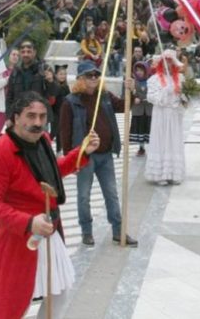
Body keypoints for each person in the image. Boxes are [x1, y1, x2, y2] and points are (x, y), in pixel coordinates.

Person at [0, 92, 99, 319]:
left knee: (60, 293)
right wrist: (27, 222)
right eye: (31, 116)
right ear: (16, 117)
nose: (37, 122)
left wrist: (82, 152)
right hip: (18, 239)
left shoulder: (43, 139)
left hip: (49, 231)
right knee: (12, 305)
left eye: (42, 117)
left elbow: (52, 175)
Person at [60, 61, 138, 246]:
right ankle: (86, 231)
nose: (94, 78)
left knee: (111, 194)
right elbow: (65, 132)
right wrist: (70, 161)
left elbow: (123, 106)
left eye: (96, 75)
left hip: (105, 155)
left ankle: (118, 231)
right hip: (84, 157)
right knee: (84, 196)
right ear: (80, 79)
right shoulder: (71, 101)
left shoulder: (104, 96)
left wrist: (130, 91)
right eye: (89, 75)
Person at [145, 50, 187, 186]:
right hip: (161, 115)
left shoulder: (180, 78)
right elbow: (151, 97)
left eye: (170, 61)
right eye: (165, 61)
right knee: (161, 140)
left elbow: (187, 99)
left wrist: (182, 95)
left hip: (174, 115)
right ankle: (160, 174)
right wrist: (165, 91)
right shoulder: (153, 80)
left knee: (174, 141)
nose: (167, 64)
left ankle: (174, 173)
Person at [130, 61, 153, 157]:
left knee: (149, 129)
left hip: (149, 109)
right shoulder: (133, 81)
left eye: (141, 70)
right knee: (139, 129)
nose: (139, 72)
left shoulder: (152, 81)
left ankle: (153, 148)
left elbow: (155, 91)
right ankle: (141, 147)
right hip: (138, 110)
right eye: (137, 70)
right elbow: (128, 94)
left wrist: (150, 97)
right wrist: (133, 97)